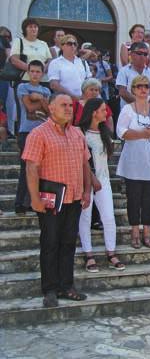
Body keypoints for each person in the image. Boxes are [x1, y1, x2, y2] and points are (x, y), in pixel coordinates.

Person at [22, 93, 92, 308]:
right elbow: (31, 168)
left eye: (70, 105)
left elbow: (85, 165)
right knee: (50, 244)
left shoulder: (77, 133)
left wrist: (87, 191)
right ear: (51, 108)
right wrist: (34, 199)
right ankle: (50, 290)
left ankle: (67, 286)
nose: (69, 108)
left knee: (69, 243)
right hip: (50, 201)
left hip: (74, 198)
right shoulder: (38, 133)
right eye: (63, 105)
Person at [116, 75, 150, 249]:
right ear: (133, 89)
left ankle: (147, 231)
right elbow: (121, 132)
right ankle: (134, 232)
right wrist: (142, 134)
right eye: (139, 86)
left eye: (146, 86)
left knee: (149, 198)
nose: (143, 89)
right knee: (133, 198)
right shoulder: (127, 110)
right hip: (133, 160)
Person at [78, 98, 124, 272]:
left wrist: (98, 179)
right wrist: (92, 179)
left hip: (103, 179)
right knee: (85, 217)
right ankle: (89, 255)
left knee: (109, 217)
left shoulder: (105, 132)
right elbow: (81, 160)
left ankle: (111, 252)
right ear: (93, 112)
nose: (106, 113)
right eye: (103, 110)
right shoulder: (80, 132)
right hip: (85, 180)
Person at [14, 60, 51, 214]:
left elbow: (49, 110)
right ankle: (20, 204)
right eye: (33, 71)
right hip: (26, 132)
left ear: (42, 74)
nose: (35, 74)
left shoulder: (45, 91)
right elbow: (28, 107)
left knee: (41, 170)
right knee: (26, 169)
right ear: (28, 72)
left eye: (38, 71)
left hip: (43, 133)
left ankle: (33, 202)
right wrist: (41, 102)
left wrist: (39, 98)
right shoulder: (23, 87)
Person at [9, 18, 53, 87]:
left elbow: (50, 60)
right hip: (24, 80)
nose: (33, 29)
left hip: (42, 81)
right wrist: (33, 71)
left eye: (35, 27)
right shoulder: (18, 41)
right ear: (25, 29)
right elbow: (14, 60)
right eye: (30, 27)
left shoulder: (43, 44)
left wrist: (41, 71)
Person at [116, 41, 150, 109]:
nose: (142, 56)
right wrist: (141, 105)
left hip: (148, 111)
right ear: (131, 54)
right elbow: (122, 92)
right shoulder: (123, 71)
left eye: (145, 54)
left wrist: (149, 107)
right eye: (139, 53)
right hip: (129, 112)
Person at [48, 35, 91, 100]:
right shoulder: (55, 63)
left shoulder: (83, 62)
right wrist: (73, 97)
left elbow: (89, 81)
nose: (73, 46)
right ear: (62, 46)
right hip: (64, 101)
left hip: (83, 100)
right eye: (69, 44)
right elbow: (54, 85)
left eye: (75, 44)